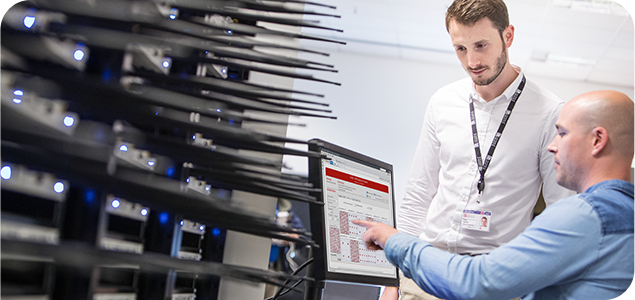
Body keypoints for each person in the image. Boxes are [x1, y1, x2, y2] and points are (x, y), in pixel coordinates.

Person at [355, 90, 635, 300]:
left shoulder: (584, 216)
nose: (552, 146)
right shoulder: (625, 212)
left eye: (561, 133)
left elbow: (477, 281)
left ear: (597, 140)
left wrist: (395, 241)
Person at [388, 0, 574, 299]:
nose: (472, 60)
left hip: (495, 281)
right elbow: (419, 194)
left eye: (481, 45)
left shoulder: (550, 112)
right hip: (425, 270)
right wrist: (392, 281)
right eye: (461, 49)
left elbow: (562, 211)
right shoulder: (443, 101)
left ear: (508, 36)